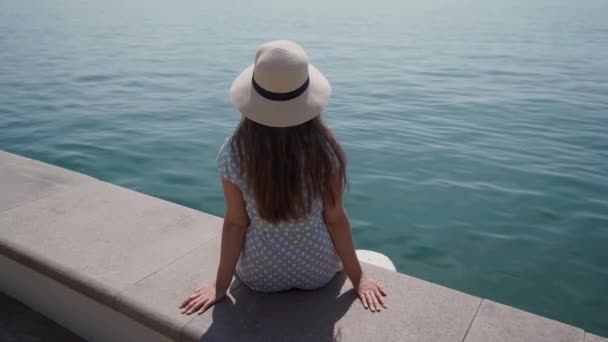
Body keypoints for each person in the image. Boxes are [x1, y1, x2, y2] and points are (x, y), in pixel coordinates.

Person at [179, 40, 387, 316]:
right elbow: (335, 218)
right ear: (308, 97)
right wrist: (358, 278)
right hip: (318, 273)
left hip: (260, 277)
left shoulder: (234, 153)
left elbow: (236, 223)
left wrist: (220, 285)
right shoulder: (326, 152)